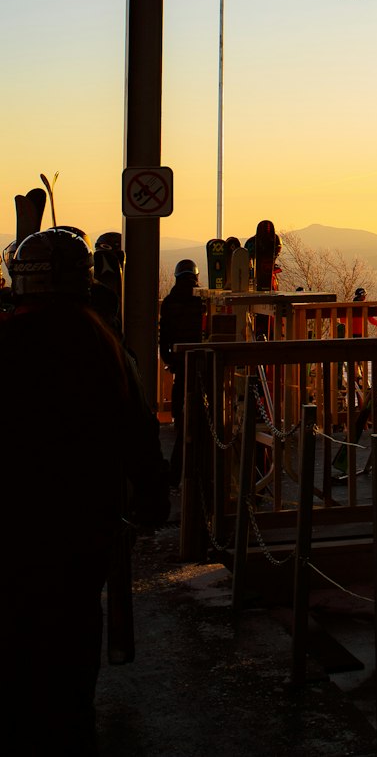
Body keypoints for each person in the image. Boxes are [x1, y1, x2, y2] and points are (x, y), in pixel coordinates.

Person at [0, 226, 169, 755]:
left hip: (15, 518)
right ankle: (72, 721)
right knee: (74, 621)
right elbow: (138, 427)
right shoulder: (103, 343)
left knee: (18, 621)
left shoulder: (7, 339)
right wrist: (151, 496)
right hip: (87, 515)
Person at [159, 257, 206, 487]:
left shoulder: (168, 301)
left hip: (179, 359)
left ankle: (178, 420)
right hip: (201, 359)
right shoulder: (202, 300)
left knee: (180, 392)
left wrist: (168, 357)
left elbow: (164, 335)